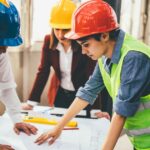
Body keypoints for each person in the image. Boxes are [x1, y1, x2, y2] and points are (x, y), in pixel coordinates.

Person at [34, 0, 150, 149]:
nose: (83, 51)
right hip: (141, 141)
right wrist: (58, 127)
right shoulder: (104, 56)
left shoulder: (133, 58)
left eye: (86, 45)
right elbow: (88, 91)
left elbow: (121, 113)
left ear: (104, 36)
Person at [21, 0, 110, 119]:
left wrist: (95, 109)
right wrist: (31, 102)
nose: (60, 34)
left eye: (65, 29)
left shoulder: (84, 43)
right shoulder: (48, 41)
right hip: (60, 94)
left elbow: (92, 76)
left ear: (73, 27)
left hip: (82, 96)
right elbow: (43, 71)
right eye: (57, 29)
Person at [0, 1, 37, 149]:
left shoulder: (1, 55)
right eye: (1, 43)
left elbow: (7, 88)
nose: (5, 48)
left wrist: (17, 119)